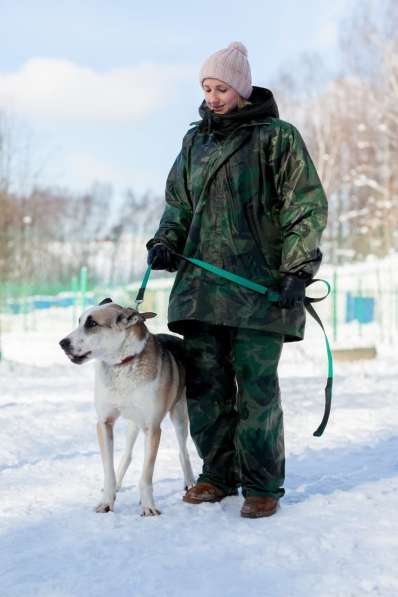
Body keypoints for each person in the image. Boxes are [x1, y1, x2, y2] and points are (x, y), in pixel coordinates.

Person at [146, 42, 327, 518]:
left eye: (221, 88)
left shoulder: (277, 138)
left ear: (241, 90)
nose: (212, 97)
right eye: (207, 88)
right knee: (205, 387)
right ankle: (216, 475)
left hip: (260, 291)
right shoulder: (195, 143)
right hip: (201, 293)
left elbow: (304, 206)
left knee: (256, 388)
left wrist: (297, 269)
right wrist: (166, 240)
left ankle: (263, 485)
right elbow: (178, 204)